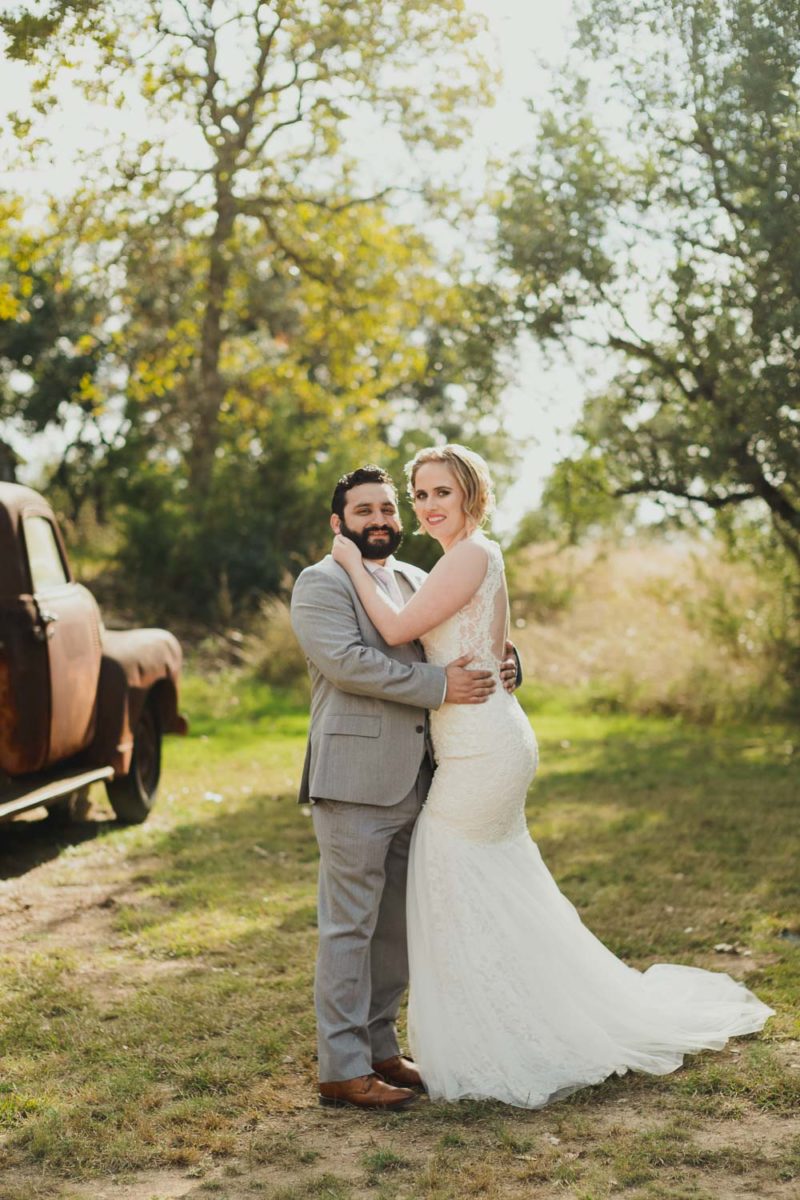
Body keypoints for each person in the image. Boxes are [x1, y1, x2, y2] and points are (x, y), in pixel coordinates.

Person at [332, 443, 774, 1108]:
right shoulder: (459, 561)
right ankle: (511, 1019)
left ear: (470, 497)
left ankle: (500, 1035)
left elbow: (396, 625)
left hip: (482, 746)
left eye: (439, 493)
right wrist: (508, 659)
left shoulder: (472, 554)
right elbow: (488, 640)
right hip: (484, 737)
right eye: (419, 494)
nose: (427, 506)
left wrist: (348, 561)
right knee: (492, 881)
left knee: (446, 870)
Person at [290, 465, 521, 1111]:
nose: (382, 520)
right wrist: (441, 686)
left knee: (396, 925)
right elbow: (348, 662)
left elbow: (460, 633)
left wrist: (505, 659)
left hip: (423, 777)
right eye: (364, 511)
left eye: (389, 508)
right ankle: (341, 1067)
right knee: (349, 928)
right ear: (339, 524)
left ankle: (380, 1047)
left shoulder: (417, 577)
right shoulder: (321, 582)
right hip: (355, 783)